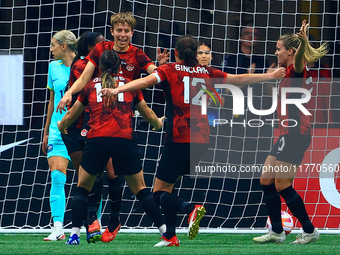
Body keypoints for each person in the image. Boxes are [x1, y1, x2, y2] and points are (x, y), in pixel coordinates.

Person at [100, 35, 285, 247]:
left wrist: (116, 89)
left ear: (176, 53)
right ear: (196, 54)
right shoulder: (207, 72)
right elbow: (240, 79)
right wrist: (269, 75)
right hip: (202, 141)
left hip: (178, 139)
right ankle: (170, 236)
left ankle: (191, 209)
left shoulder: (169, 70)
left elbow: (144, 81)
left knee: (159, 192)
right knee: (169, 187)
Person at [58, 50, 166, 245]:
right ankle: (166, 232)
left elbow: (73, 114)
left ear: (98, 67)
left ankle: (74, 235)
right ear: (119, 67)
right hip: (123, 139)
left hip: (97, 140)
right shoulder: (130, 86)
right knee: (140, 189)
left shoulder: (90, 86)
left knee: (83, 187)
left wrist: (61, 125)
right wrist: (158, 124)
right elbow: (148, 114)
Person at [253, 20, 328, 245]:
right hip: (287, 133)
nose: (275, 52)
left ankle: (309, 230)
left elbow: (299, 60)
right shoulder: (286, 72)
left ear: (291, 52)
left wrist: (304, 41)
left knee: (282, 184)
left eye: (278, 49)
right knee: (266, 179)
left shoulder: (298, 69)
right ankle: (277, 231)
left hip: (297, 134)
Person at [61, 31, 123, 243]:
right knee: (87, 177)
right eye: (100, 45)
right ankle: (87, 223)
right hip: (74, 128)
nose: (106, 47)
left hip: (91, 126)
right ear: (91, 49)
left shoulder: (105, 71)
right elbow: (84, 98)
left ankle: (102, 222)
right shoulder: (82, 68)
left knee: (108, 173)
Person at [56, 11, 169, 113]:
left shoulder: (137, 54)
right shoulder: (101, 48)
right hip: (99, 108)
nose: (123, 35)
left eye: (127, 31)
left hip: (125, 110)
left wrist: (161, 67)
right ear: (112, 31)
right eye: (119, 30)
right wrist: (68, 93)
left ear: (132, 33)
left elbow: (155, 73)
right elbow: (83, 79)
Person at [42, 30, 77, 241]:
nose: (51, 48)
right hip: (57, 131)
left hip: (80, 129)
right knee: (56, 174)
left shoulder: (84, 67)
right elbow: (52, 99)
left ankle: (95, 223)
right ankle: (57, 227)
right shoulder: (53, 67)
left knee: (93, 179)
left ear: (64, 46)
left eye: (53, 44)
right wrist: (46, 131)